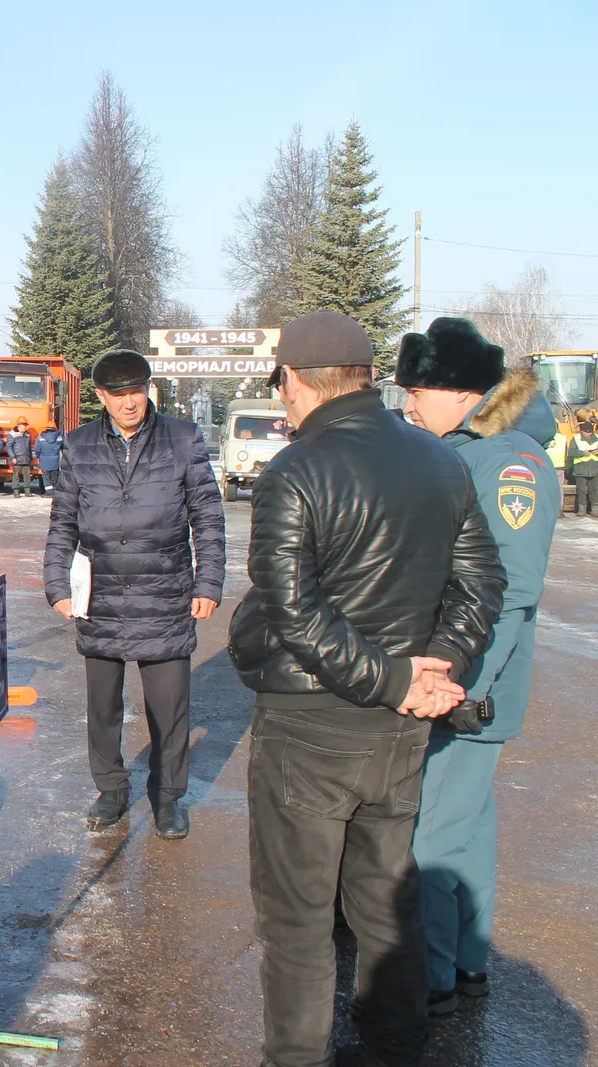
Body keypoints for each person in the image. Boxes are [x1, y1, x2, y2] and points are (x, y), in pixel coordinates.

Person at [227, 311, 504, 1067]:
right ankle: (399, 1050)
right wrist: (432, 671)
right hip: (400, 728)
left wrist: (394, 678)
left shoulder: (295, 469)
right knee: (386, 907)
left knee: (298, 920)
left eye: (279, 382)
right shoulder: (440, 459)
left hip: (311, 723)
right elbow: (482, 584)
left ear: (293, 379)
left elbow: (293, 608)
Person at [397, 318, 559, 1017]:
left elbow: (514, 590)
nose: (407, 406)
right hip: (462, 676)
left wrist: (466, 685)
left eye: (417, 391)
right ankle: (467, 961)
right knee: (469, 823)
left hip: (468, 685)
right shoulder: (468, 448)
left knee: (432, 832)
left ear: (461, 392)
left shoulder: (509, 461)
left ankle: (429, 978)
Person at [43, 349, 225, 841]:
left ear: (149, 390)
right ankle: (111, 790)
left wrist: (209, 582)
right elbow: (63, 521)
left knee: (169, 709)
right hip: (98, 595)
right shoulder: (79, 445)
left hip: (165, 594)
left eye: (137, 391)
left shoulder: (182, 439)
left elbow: (207, 517)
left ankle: (167, 798)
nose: (130, 402)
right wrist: (57, 584)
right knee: (102, 707)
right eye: (119, 394)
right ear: (100, 396)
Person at [572, 415, 598, 516]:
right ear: (581, 431)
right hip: (580, 469)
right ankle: (582, 510)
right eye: (586, 432)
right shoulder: (576, 439)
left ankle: (595, 509)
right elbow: (571, 452)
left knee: (594, 490)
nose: (588, 433)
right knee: (581, 491)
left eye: (590, 431)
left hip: (594, 469)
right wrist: (582, 453)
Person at [8, 418, 35, 494]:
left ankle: (27, 491)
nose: (26, 427)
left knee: (27, 476)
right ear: (19, 426)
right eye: (24, 425)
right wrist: (13, 457)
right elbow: (9, 447)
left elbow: (29, 447)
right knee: (15, 476)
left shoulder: (27, 434)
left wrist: (30, 457)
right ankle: (16, 491)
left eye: (26, 425)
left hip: (26, 459)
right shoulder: (12, 435)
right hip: (17, 459)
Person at [35, 421, 64, 491]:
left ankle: (48, 492)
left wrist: (38, 456)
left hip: (44, 461)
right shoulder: (59, 436)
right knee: (54, 476)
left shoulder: (41, 436)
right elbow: (64, 446)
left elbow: (37, 448)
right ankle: (54, 491)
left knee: (46, 477)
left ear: (46, 428)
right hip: (55, 461)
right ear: (55, 427)